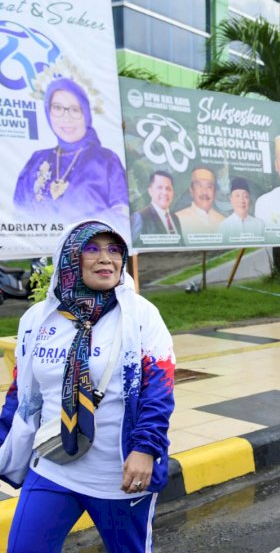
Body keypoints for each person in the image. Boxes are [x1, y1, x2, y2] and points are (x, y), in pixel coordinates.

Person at [0, 220, 175, 551]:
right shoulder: (37, 319)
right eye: (92, 249)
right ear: (69, 257)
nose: (106, 258)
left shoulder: (140, 316)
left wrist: (145, 449)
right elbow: (22, 393)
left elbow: (159, 390)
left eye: (114, 250)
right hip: (51, 464)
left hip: (118, 475)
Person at [13, 77, 129, 224]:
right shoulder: (37, 160)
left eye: (75, 110)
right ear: (48, 112)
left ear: (86, 114)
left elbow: (121, 218)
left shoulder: (107, 161)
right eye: (57, 108)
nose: (66, 118)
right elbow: (19, 214)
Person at [131, 171, 182, 247]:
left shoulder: (175, 218)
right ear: (150, 191)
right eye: (159, 187)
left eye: (168, 188)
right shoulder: (141, 217)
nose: (165, 192)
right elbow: (136, 248)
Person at [175, 166, 225, 241]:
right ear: (191, 191)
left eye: (209, 186)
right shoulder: (177, 220)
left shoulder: (223, 221)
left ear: (214, 192)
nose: (204, 192)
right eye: (199, 186)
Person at [219, 177, 265, 243]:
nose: (241, 200)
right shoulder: (224, 226)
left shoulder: (259, 225)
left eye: (245, 196)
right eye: (237, 196)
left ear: (249, 200)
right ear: (231, 200)